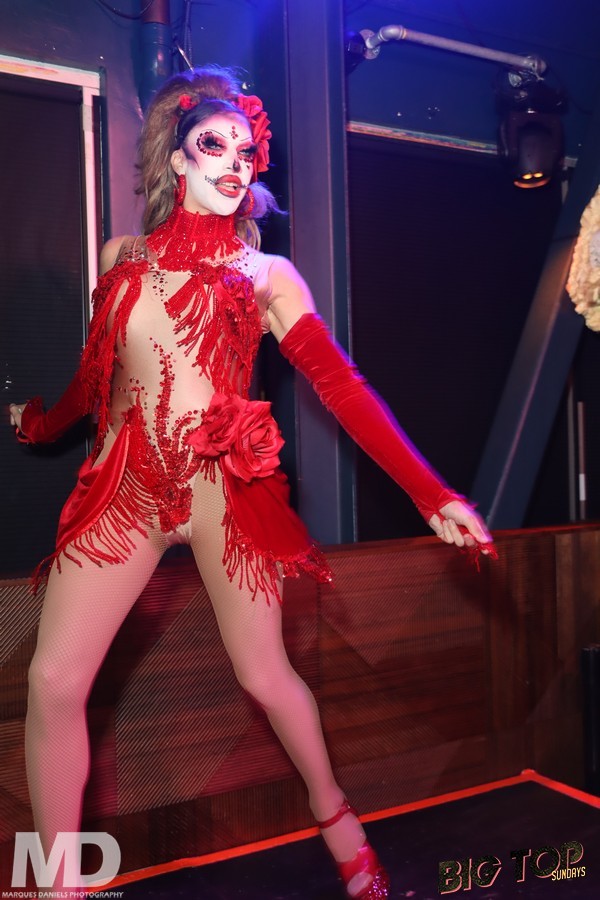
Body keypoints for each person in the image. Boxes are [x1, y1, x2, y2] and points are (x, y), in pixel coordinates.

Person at [9, 65, 494, 900]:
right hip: (125, 486)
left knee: (265, 676)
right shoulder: (121, 259)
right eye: (215, 145)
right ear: (177, 159)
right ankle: (60, 886)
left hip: (222, 488)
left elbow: (342, 386)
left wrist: (432, 493)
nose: (236, 163)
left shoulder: (266, 275)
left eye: (247, 152)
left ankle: (338, 820)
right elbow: (96, 382)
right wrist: (40, 425)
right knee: (52, 681)